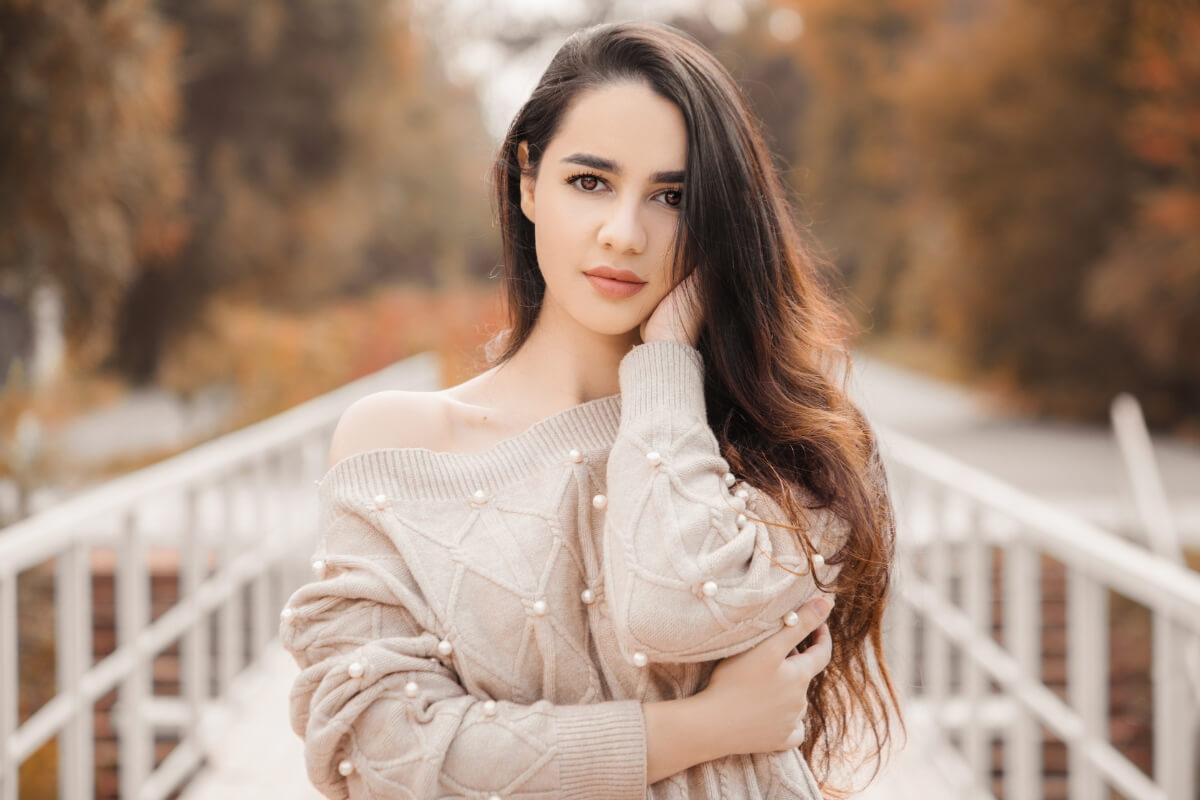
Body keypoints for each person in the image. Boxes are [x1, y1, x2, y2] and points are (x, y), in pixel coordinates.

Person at [281, 20, 899, 800]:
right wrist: (701, 729)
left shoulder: (786, 443)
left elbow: (672, 609)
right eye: (590, 182)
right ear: (528, 184)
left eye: (672, 197)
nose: (624, 233)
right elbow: (376, 757)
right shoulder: (398, 447)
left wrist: (669, 360)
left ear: (717, 221)